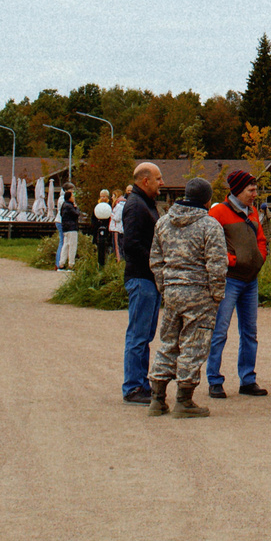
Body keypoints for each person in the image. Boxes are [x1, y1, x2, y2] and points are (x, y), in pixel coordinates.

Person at [147, 176, 229, 416]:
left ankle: (157, 398)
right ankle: (184, 400)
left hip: (172, 291)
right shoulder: (209, 225)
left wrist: (165, 285)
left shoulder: (163, 223)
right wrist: (217, 293)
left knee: (169, 342)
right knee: (194, 345)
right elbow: (217, 263)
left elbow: (156, 259)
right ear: (207, 200)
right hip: (199, 293)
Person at [205, 169, 269, 397]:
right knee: (220, 331)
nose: (255, 194)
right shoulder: (218, 213)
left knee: (250, 332)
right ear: (238, 190)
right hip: (229, 280)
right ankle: (214, 379)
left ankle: (247, 379)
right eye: (251, 190)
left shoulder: (252, 213)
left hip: (250, 280)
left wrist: (260, 257)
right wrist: (233, 261)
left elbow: (261, 239)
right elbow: (211, 245)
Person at [118, 163, 164, 404]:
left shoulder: (145, 203)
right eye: (158, 178)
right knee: (138, 334)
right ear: (145, 181)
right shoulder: (135, 206)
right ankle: (133, 386)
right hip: (141, 277)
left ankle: (140, 382)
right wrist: (156, 261)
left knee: (145, 334)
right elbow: (131, 244)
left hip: (149, 278)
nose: (162, 183)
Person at [56, 191, 81, 270]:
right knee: (72, 246)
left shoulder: (64, 205)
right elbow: (76, 214)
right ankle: (71, 264)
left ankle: (61, 263)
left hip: (65, 228)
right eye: (72, 196)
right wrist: (76, 208)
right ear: (69, 197)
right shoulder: (70, 206)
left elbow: (61, 214)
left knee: (65, 245)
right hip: (72, 227)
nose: (74, 198)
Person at [91, 189, 115, 267]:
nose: (102, 198)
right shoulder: (97, 205)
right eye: (101, 196)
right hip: (98, 228)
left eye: (104, 196)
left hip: (107, 228)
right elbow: (93, 217)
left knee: (107, 246)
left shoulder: (110, 205)